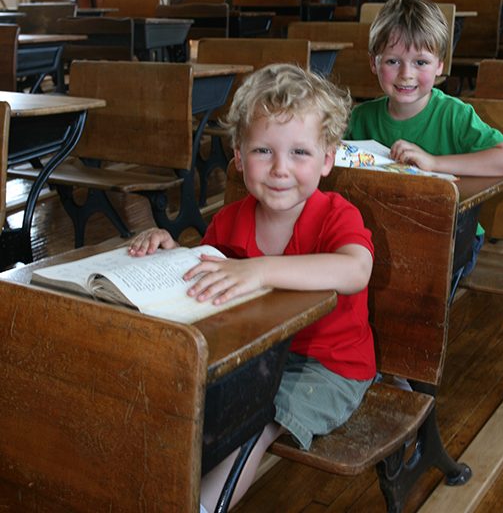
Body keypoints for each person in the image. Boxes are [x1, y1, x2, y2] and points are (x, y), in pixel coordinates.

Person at [128, 63, 376, 513]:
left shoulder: (337, 214)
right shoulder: (230, 220)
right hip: (252, 356)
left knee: (258, 417)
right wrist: (170, 253)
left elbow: (354, 270)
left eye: (300, 152)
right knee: (178, 395)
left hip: (326, 368)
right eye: (263, 150)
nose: (281, 169)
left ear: (327, 158)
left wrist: (260, 271)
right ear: (239, 157)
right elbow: (203, 279)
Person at [346, 0, 503, 289]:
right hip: (387, 230)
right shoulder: (360, 118)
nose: (406, 74)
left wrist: (434, 162)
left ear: (440, 65)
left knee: (409, 275)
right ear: (374, 63)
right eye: (392, 61)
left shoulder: (454, 114)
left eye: (421, 62)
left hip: (453, 234)